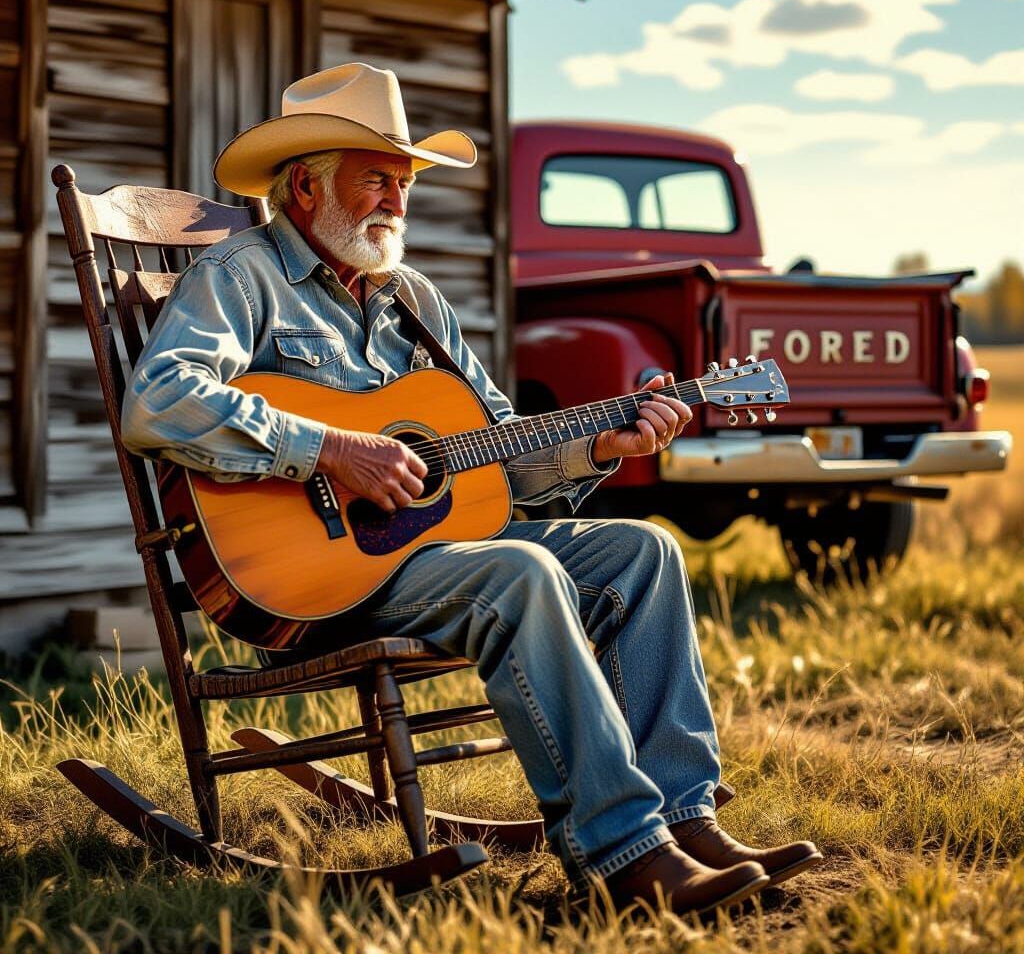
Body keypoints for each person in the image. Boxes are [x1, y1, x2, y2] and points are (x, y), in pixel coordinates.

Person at [121, 62, 821, 913]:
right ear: (305, 184)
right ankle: (625, 859)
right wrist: (330, 448)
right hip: (314, 579)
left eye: (406, 182)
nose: (396, 201)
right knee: (520, 575)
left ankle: (685, 818)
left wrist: (596, 443)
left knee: (645, 550)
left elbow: (496, 455)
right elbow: (158, 402)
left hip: (427, 553)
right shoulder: (241, 276)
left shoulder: (414, 297)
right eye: (377, 176)